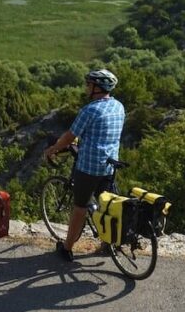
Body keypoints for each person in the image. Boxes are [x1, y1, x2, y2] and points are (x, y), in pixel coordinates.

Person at [43, 68, 124, 262]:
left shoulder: (90, 109)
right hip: (110, 164)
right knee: (108, 205)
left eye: (89, 84)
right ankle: (109, 243)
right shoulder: (118, 106)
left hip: (89, 166)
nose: (86, 87)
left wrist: (52, 150)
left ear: (98, 87)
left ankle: (67, 248)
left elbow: (70, 136)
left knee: (80, 206)